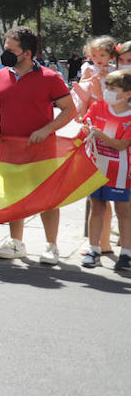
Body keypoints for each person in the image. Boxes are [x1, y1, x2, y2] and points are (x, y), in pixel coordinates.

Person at [0, 25, 76, 264]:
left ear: (27, 53)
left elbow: (69, 110)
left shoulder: (51, 78)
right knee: (14, 196)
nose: (6, 54)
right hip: (10, 148)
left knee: (48, 199)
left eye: (11, 49)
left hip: (42, 150)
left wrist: (46, 130)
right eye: (5, 48)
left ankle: (51, 247)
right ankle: (16, 243)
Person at [78, 67, 131, 269]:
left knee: (123, 210)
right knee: (97, 207)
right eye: (106, 86)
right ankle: (94, 250)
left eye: (113, 88)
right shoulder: (99, 107)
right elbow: (85, 125)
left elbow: (121, 145)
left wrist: (99, 135)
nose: (107, 91)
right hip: (96, 167)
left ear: (127, 94)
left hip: (121, 171)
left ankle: (126, 254)